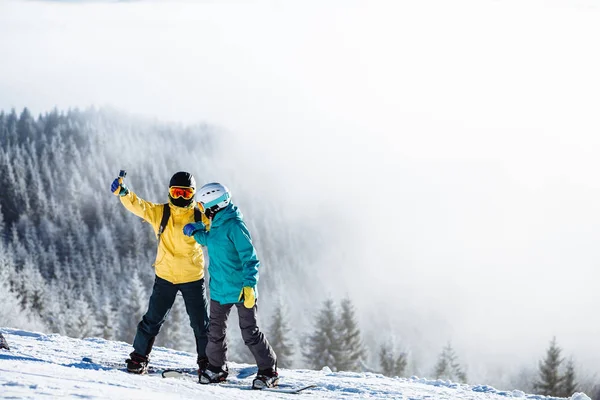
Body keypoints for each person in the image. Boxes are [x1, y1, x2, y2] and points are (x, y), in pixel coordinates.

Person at [110, 171, 210, 376]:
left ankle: (208, 362)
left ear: (192, 194)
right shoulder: (161, 213)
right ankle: (139, 358)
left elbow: (220, 229)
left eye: (185, 193)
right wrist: (124, 193)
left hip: (193, 278)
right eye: (176, 192)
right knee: (152, 320)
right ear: (170, 192)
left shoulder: (201, 216)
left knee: (201, 325)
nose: (180, 197)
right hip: (166, 277)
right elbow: (140, 206)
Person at [182, 182, 278, 389]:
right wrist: (195, 232)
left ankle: (268, 371)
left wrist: (250, 285)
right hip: (219, 290)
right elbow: (210, 239)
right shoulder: (216, 223)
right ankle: (217, 368)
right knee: (215, 332)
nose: (202, 210)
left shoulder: (234, 225)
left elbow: (250, 258)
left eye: (202, 206)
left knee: (250, 332)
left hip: (242, 290)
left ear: (213, 205)